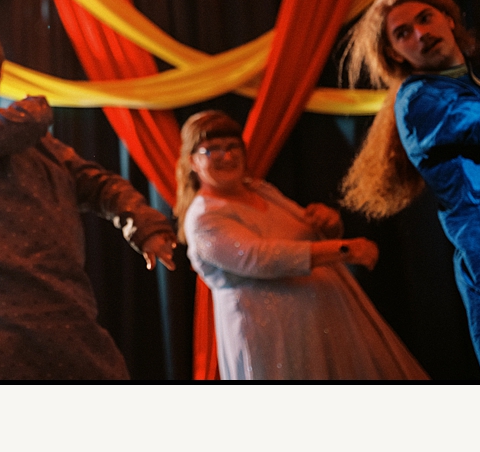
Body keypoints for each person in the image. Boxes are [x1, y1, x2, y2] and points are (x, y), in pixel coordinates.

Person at [0, 24, 178, 379]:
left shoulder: (39, 144)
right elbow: (20, 123)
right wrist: (37, 109)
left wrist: (145, 224)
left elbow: (98, 184)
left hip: (61, 300)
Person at [341, 0, 480, 380]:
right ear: (395, 53)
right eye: (404, 33)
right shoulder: (418, 101)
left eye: (426, 18)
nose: (421, 34)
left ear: (450, 20)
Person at [177, 111, 427, 380]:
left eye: (232, 146)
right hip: (272, 341)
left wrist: (328, 226)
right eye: (212, 150)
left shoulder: (261, 190)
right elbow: (259, 257)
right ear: (192, 160)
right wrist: (344, 249)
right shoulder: (203, 217)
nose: (226, 156)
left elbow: (304, 238)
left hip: (319, 329)